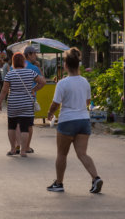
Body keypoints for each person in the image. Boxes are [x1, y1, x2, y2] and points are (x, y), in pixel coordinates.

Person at [45, 47, 102, 194]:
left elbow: (55, 103)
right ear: (78, 65)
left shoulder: (62, 83)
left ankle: (59, 183)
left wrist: (50, 113)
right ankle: (96, 178)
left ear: (65, 65)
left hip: (67, 121)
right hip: (83, 120)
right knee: (82, 154)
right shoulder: (85, 82)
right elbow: (88, 101)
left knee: (62, 154)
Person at [0, 51, 43, 157]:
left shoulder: (10, 74)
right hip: (27, 103)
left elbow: (4, 90)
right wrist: (34, 89)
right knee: (25, 128)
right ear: (23, 61)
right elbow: (42, 82)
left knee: (12, 127)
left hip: (13, 103)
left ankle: (13, 149)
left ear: (13, 62)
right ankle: (23, 151)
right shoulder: (30, 72)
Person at [21, 45, 47, 154]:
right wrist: (33, 89)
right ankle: (26, 147)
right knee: (28, 124)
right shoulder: (34, 68)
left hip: (16, 99)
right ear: (28, 55)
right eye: (34, 53)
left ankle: (17, 146)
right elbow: (43, 81)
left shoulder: (15, 66)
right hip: (29, 99)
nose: (36, 55)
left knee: (17, 124)